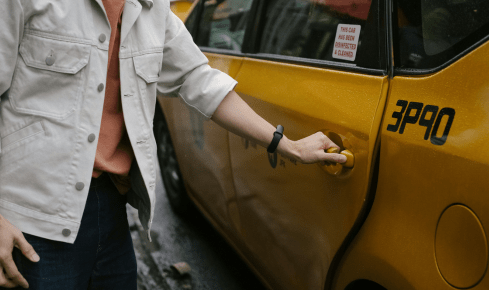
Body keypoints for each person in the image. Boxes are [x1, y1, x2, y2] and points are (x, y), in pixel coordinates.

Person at [0, 0, 347, 289]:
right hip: (31, 217)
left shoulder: (151, 8)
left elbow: (198, 78)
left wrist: (286, 144)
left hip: (110, 207)